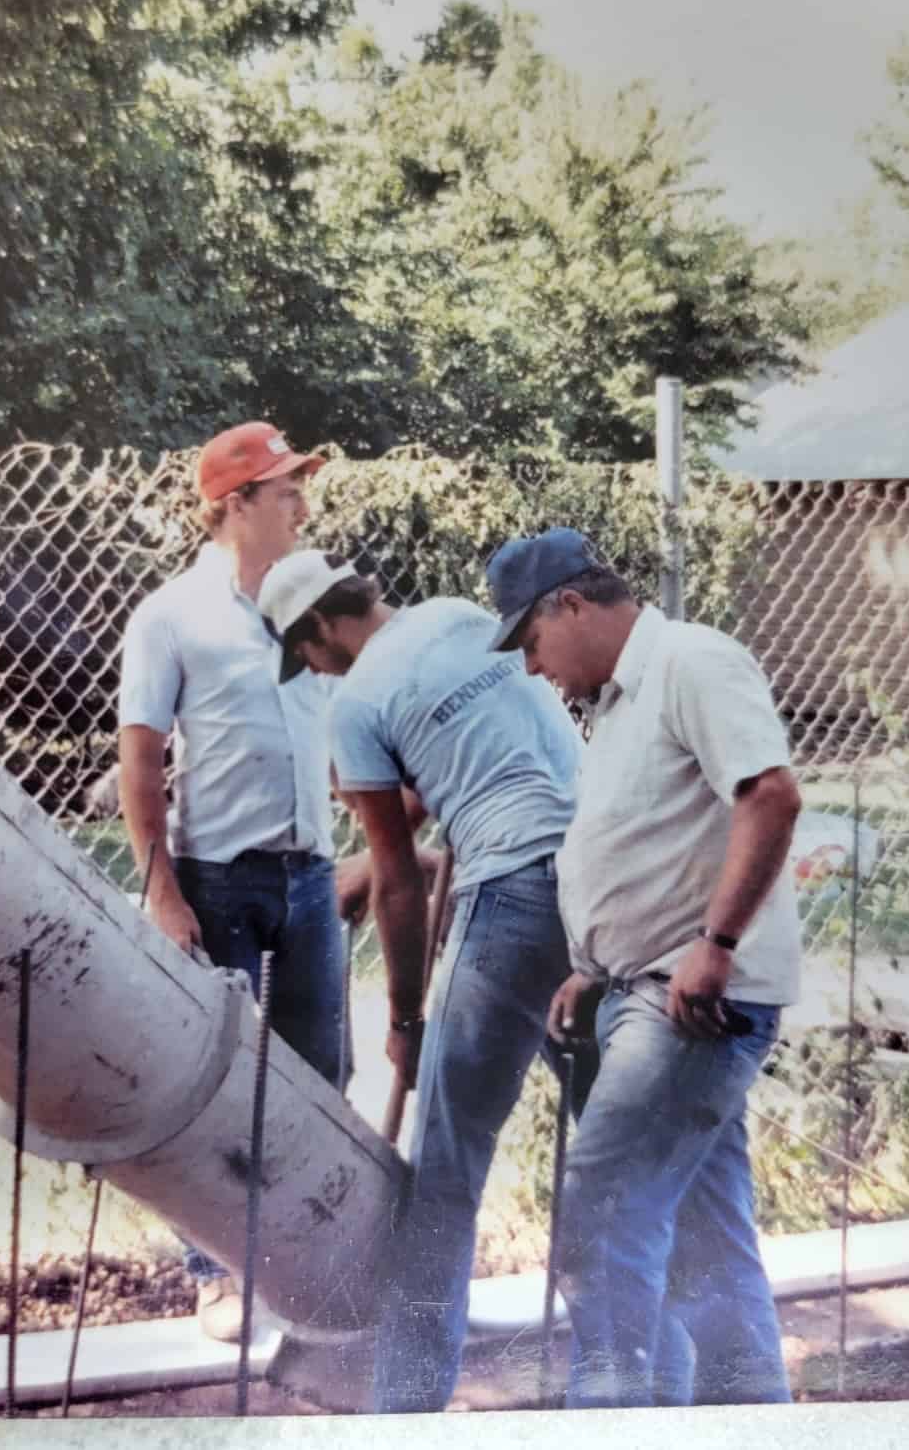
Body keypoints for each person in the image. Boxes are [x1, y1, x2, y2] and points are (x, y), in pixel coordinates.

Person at [257, 550, 594, 1411]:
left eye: (311, 652)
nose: (317, 670)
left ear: (328, 626)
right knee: (609, 1153)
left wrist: (405, 1019)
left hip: (513, 898)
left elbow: (405, 881)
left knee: (442, 1179)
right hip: (606, 874)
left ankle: (401, 1409)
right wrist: (377, 862)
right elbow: (467, 755)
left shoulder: (356, 703)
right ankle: (631, 1388)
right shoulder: (454, 615)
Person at [487, 527, 802, 1412]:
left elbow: (770, 794)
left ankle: (614, 1418)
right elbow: (654, 839)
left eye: (531, 642)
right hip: (641, 989)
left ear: (572, 606)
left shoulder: (693, 662)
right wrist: (593, 965)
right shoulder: (622, 702)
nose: (533, 667)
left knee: (603, 1202)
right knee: (707, 1235)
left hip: (693, 1000)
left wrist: (720, 943)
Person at [115, 421, 354, 1340]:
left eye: (300, 487)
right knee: (210, 1077)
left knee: (319, 1069)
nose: (302, 502)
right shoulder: (172, 615)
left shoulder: (315, 605)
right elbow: (141, 758)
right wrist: (161, 889)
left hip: (310, 874)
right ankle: (214, 1272)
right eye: (285, 488)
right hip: (217, 880)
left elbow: (346, 735)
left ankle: (307, 1264)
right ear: (235, 504)